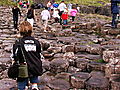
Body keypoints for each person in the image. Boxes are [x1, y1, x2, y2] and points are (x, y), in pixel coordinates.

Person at [12, 21, 43, 90]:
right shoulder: (36, 42)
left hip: (23, 68)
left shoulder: (18, 43)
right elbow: (39, 54)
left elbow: (15, 56)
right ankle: (34, 86)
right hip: (35, 66)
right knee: (34, 84)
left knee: (21, 86)